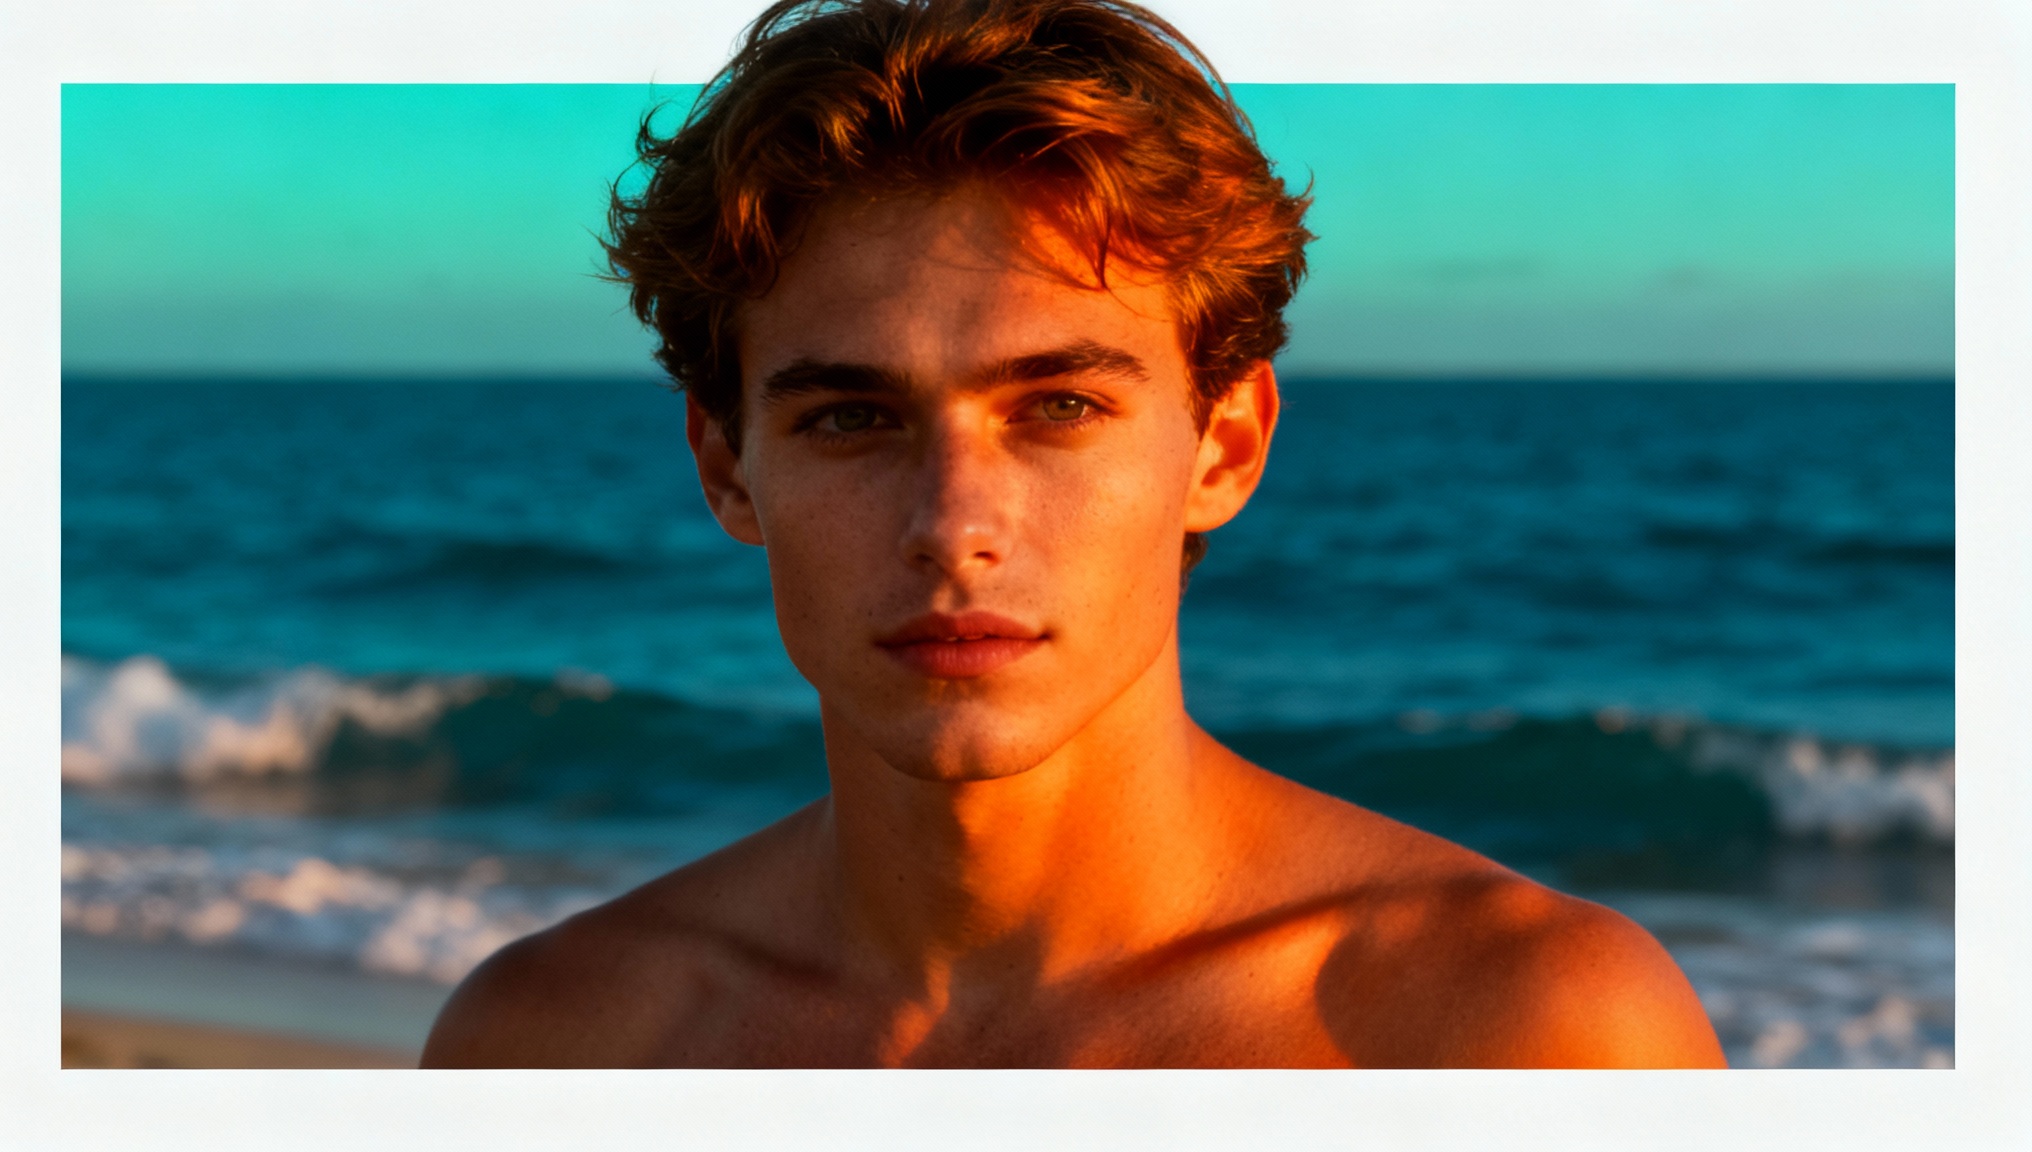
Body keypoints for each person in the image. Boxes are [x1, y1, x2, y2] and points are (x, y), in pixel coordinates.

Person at [420, 0, 1725, 1068]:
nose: (953, 526)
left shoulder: (1516, 1035)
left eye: (1058, 406)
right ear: (726, 466)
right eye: (852, 420)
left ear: (1226, 444)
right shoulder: (558, 1046)